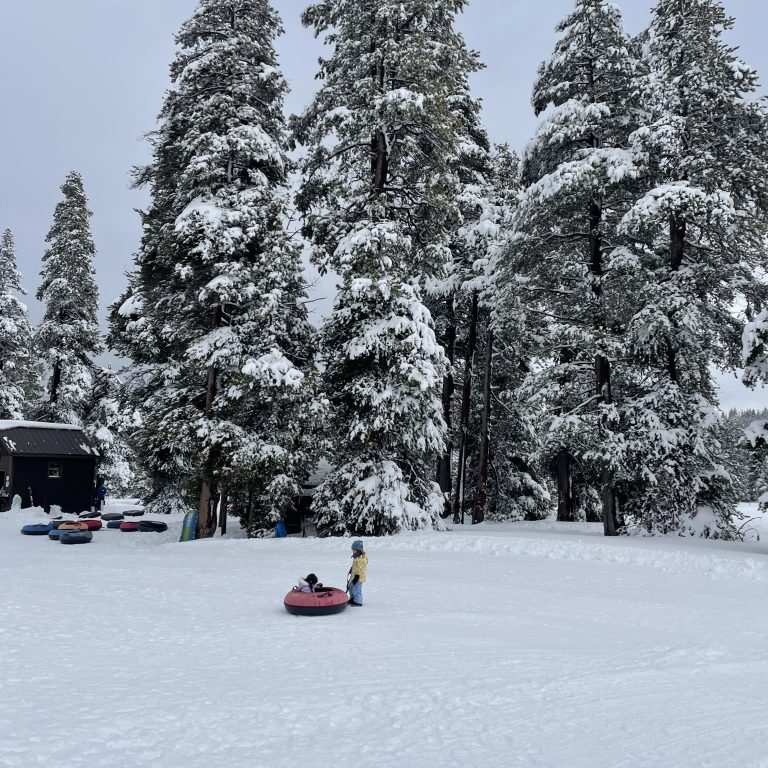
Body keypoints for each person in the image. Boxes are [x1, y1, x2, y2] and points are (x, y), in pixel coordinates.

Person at [347, 540, 368, 607]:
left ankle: (358, 602)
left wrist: (357, 576)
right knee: (350, 587)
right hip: (354, 576)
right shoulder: (356, 557)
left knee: (356, 589)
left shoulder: (361, 559)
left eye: (353, 550)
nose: (352, 551)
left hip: (358, 578)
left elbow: (360, 568)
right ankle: (352, 598)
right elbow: (356, 566)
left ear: (358, 550)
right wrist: (351, 569)